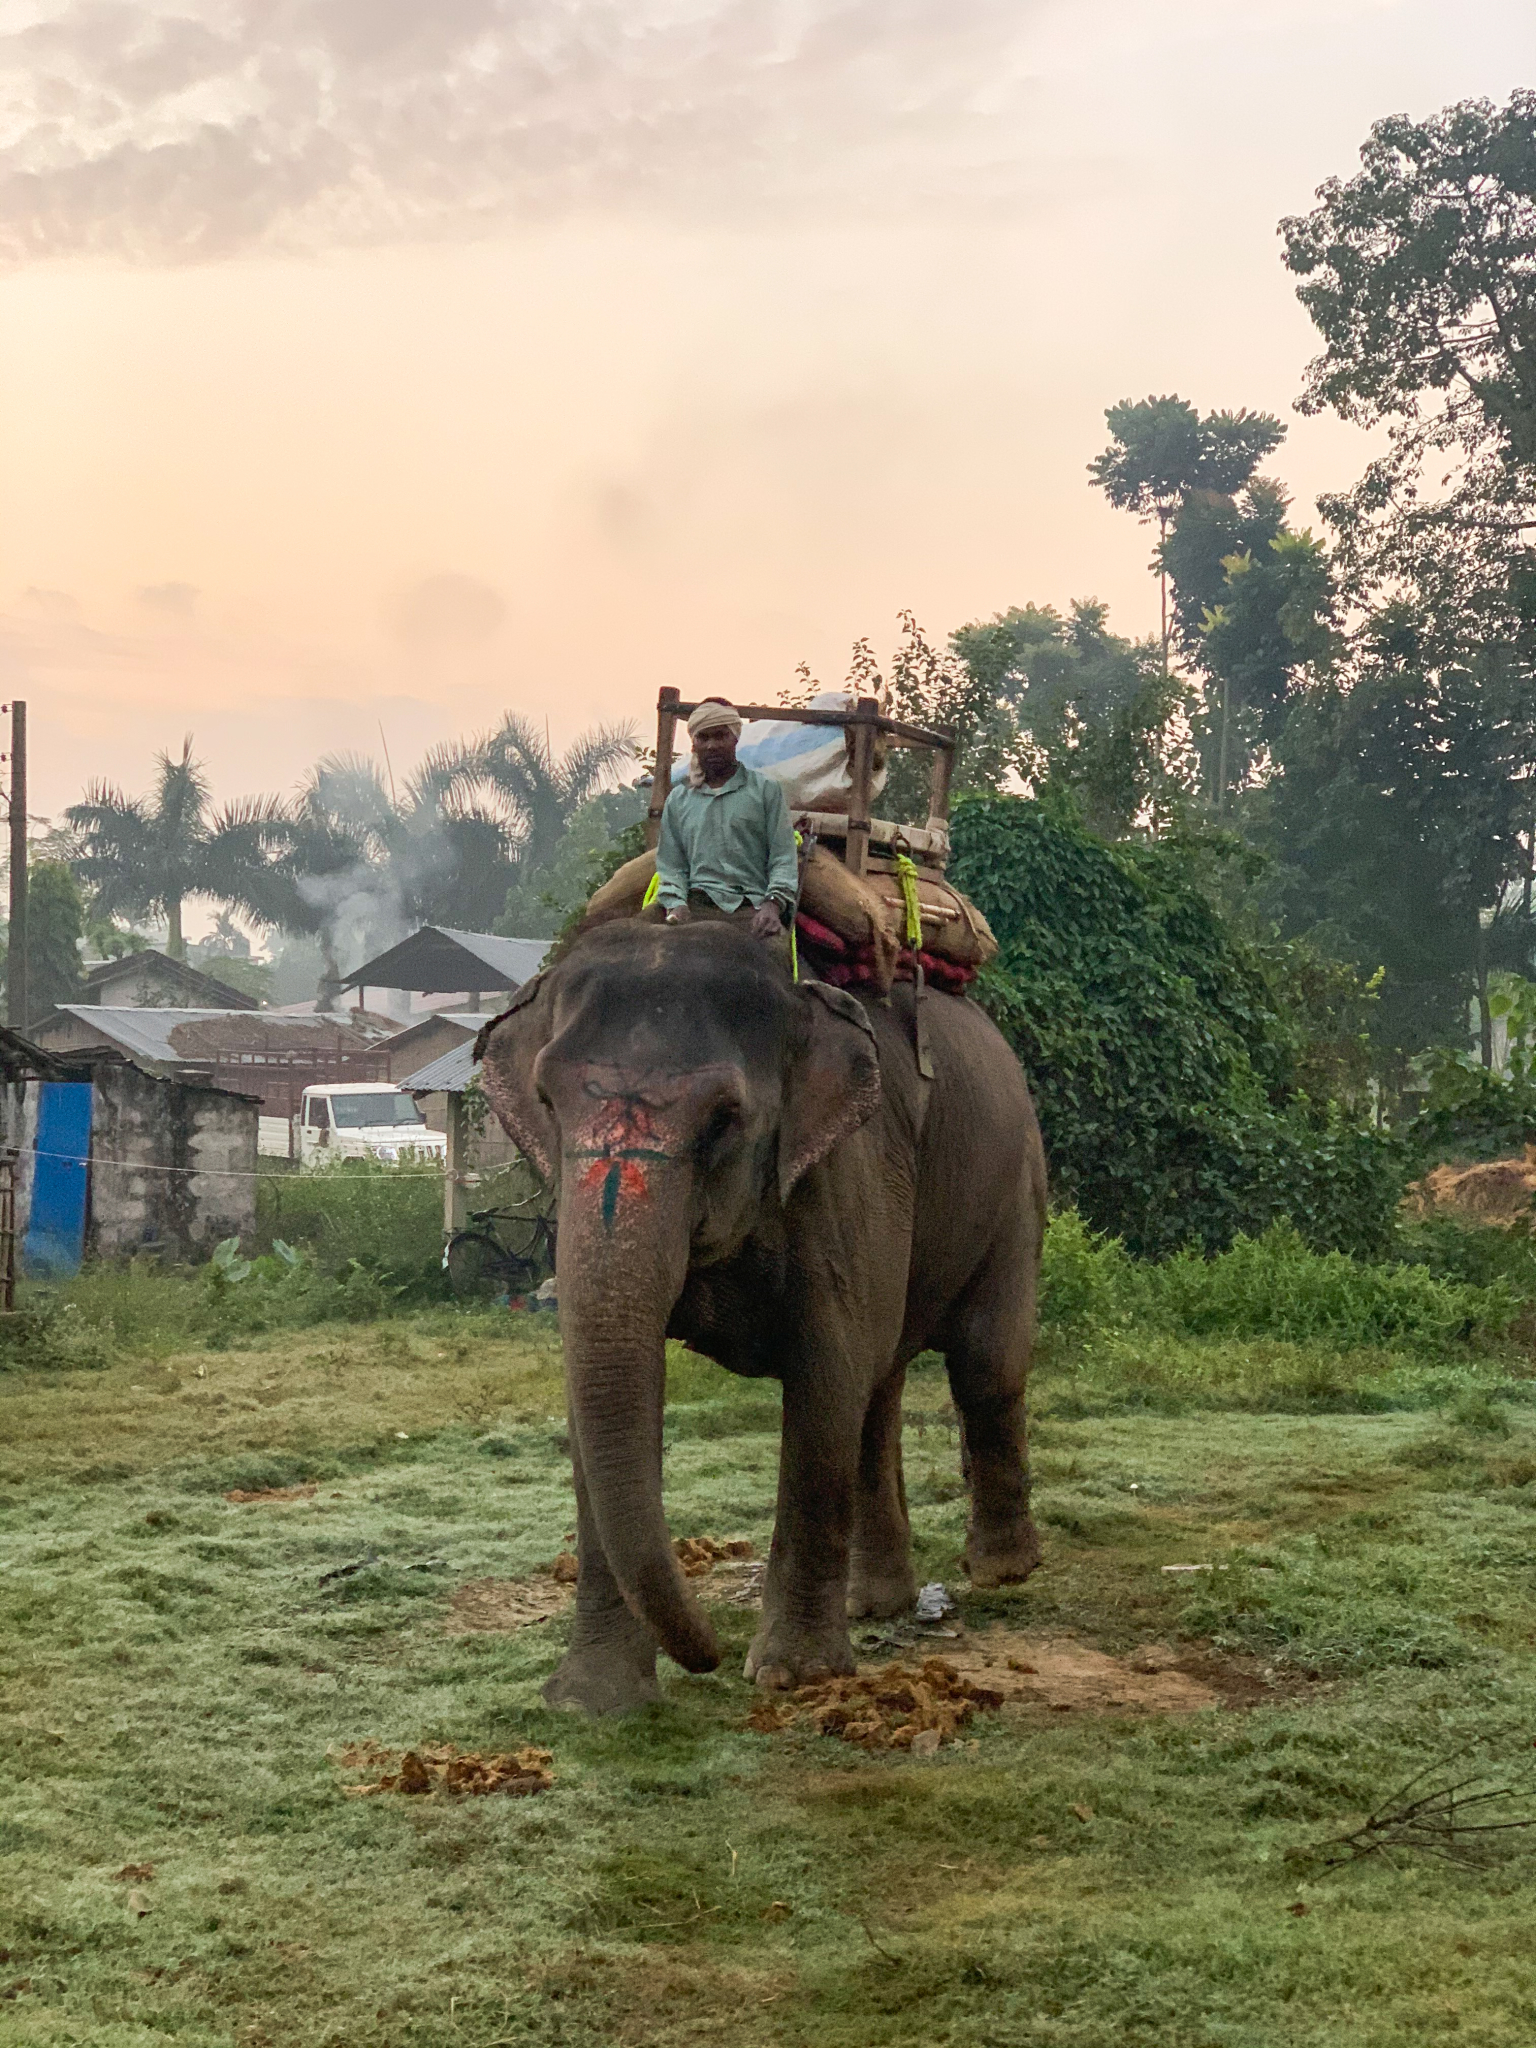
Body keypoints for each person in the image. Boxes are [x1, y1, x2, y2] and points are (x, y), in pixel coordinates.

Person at [654, 699, 799, 941]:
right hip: (694, 907)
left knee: (774, 961)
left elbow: (783, 857)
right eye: (703, 738)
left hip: (749, 910)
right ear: (694, 744)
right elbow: (671, 864)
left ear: (735, 739)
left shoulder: (765, 791)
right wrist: (676, 904)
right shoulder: (679, 799)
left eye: (720, 736)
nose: (711, 746)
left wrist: (773, 904)